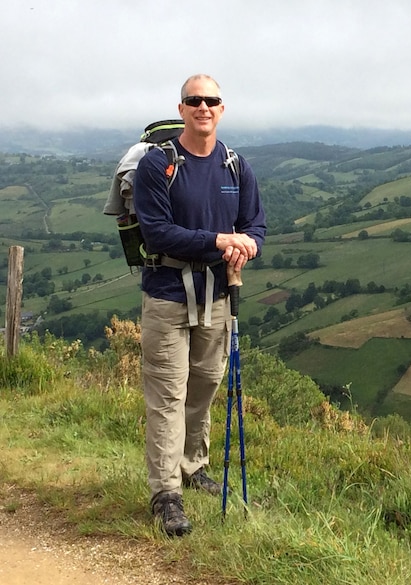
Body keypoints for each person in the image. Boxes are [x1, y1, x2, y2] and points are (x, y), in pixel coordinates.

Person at [133, 74, 266, 536]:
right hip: (167, 295)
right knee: (168, 394)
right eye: (194, 100)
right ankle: (166, 493)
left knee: (205, 386)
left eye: (211, 100)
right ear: (182, 107)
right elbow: (157, 233)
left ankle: (194, 467)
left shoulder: (235, 165)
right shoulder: (157, 166)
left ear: (222, 109)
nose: (203, 107)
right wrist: (220, 240)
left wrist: (247, 245)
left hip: (217, 296)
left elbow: (256, 226)